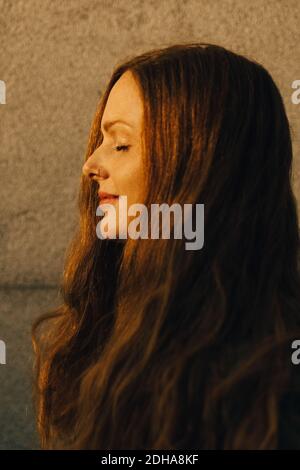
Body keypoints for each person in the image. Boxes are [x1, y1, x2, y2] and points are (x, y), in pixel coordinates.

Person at [32, 42, 300, 450]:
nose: (90, 163)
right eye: (101, 141)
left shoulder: (273, 387)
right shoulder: (113, 328)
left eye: (121, 144)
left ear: (202, 163)